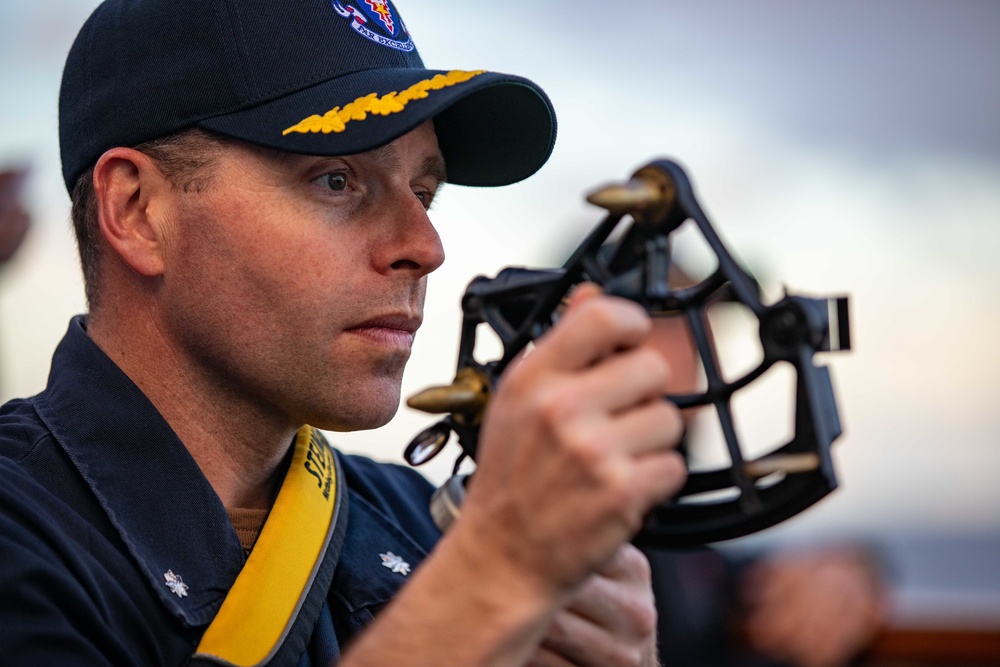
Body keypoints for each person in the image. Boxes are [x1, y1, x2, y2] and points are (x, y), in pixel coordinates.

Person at [0, 1, 687, 666]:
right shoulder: (21, 531)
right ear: (139, 210)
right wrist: (493, 582)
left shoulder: (429, 525)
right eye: (336, 179)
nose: (425, 245)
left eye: (423, 191)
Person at [642, 308, 887, 667]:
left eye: (699, 333)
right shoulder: (581, 541)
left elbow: (739, 580)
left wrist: (847, 572)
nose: (698, 349)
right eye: (667, 323)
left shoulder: (672, 540)